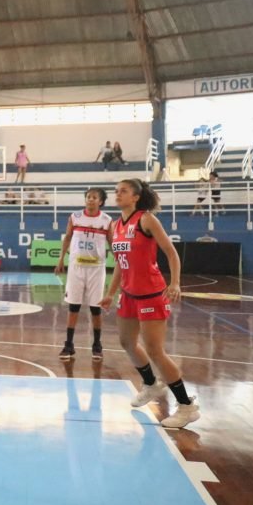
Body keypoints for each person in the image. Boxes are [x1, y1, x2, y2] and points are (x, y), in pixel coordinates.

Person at [100, 179, 199, 428]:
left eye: (123, 191)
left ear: (135, 197)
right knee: (126, 342)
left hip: (151, 294)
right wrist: (111, 293)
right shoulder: (115, 225)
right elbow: (121, 265)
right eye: (116, 191)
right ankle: (151, 384)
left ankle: (186, 406)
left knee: (155, 351)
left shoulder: (146, 220)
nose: (117, 194)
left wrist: (175, 282)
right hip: (129, 294)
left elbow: (171, 252)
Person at [54, 188, 112, 361]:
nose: (90, 200)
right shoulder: (75, 217)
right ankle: (69, 345)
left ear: (100, 201)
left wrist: (120, 260)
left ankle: (97, 345)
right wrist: (60, 259)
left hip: (96, 268)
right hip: (76, 267)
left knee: (95, 308)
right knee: (74, 307)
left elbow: (112, 241)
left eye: (94, 197)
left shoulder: (106, 220)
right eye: (88, 197)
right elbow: (67, 238)